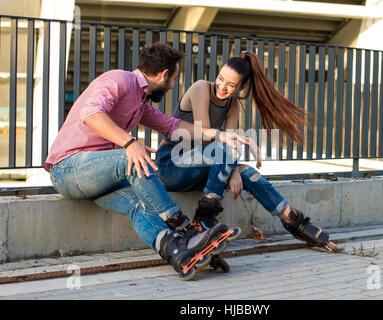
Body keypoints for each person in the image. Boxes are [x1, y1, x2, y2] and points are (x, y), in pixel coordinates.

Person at [45, 42, 249, 278]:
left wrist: (218, 134)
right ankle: (183, 228)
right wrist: (130, 144)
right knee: (132, 159)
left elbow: (172, 126)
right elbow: (91, 113)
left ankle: (177, 251)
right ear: (164, 75)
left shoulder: (140, 103)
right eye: (174, 79)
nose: (173, 85)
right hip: (68, 169)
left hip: (100, 177)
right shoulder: (118, 80)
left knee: (138, 205)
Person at [155, 51, 335, 251]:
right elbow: (205, 136)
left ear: (242, 87)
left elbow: (226, 145)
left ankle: (293, 220)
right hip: (171, 164)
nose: (222, 87)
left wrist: (235, 171)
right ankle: (204, 218)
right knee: (224, 151)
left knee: (248, 173)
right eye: (220, 79)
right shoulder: (201, 88)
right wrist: (239, 156)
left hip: (201, 165)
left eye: (231, 85)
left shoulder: (233, 105)